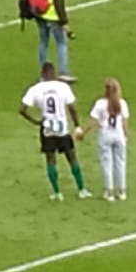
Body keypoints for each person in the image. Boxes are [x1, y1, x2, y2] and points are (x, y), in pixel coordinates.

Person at [21, 62, 91, 201]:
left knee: (50, 159)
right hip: (62, 128)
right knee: (72, 157)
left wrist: (36, 121)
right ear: (54, 73)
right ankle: (81, 189)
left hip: (47, 128)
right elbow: (72, 107)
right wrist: (77, 125)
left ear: (42, 74)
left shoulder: (36, 89)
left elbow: (22, 109)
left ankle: (57, 193)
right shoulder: (63, 87)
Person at [22, 0, 71, 79]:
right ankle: (63, 72)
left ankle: (44, 74)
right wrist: (64, 22)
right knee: (61, 44)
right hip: (53, 16)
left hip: (39, 15)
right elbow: (59, 3)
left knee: (43, 43)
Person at [86, 77, 129, 201]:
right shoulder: (122, 103)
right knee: (120, 163)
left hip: (105, 135)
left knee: (107, 163)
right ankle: (121, 191)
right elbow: (125, 122)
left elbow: (93, 121)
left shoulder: (100, 103)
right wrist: (126, 136)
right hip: (118, 134)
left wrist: (83, 132)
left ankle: (109, 192)